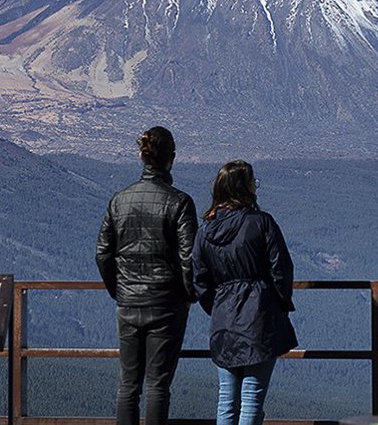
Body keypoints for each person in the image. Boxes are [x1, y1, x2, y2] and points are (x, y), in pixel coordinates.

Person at [95, 126, 199, 425]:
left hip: (128, 303)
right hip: (166, 304)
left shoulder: (119, 200)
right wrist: (188, 294)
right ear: (172, 159)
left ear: (142, 157)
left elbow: (102, 252)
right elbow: (188, 257)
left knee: (128, 385)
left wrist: (120, 289)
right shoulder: (179, 202)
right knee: (158, 385)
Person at [192, 160, 298, 425]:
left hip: (223, 321)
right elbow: (281, 269)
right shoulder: (262, 223)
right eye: (253, 182)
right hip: (259, 317)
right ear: (244, 188)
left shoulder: (204, 230)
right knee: (251, 399)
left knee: (226, 400)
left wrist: (217, 307)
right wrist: (277, 304)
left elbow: (199, 279)